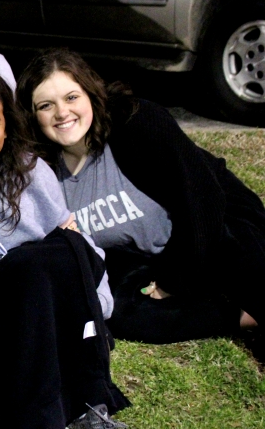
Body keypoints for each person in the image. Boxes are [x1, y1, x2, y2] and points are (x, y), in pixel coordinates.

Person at [16, 47, 265, 344]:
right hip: (151, 258)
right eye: (46, 105)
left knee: (246, 269)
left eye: (71, 97)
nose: (61, 113)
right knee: (120, 312)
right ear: (32, 116)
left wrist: (175, 282)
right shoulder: (44, 175)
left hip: (219, 226)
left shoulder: (136, 121)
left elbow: (205, 200)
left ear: (91, 94)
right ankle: (238, 315)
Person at [0, 70, 129, 428]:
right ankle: (70, 412)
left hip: (51, 295)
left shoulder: (30, 169)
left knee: (62, 248)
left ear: (7, 128)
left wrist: (99, 302)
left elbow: (75, 237)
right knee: (36, 264)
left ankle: (85, 411)